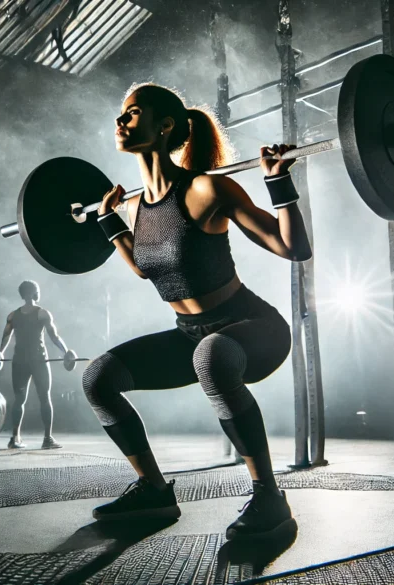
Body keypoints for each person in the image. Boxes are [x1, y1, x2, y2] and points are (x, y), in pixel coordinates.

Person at [81, 83, 312, 542]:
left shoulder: (207, 188)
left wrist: (278, 182)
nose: (120, 121)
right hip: (191, 333)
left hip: (253, 329)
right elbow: (148, 269)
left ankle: (269, 496)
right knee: (99, 379)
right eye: (121, 114)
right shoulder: (136, 206)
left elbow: (293, 247)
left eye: (132, 113)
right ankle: (153, 490)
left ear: (164, 126)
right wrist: (110, 223)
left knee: (212, 355)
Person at [0, 280, 75, 450]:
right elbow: (54, 337)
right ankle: (48, 439)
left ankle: (14, 439)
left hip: (19, 362)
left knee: (19, 400)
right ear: (33, 293)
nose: (39, 293)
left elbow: (5, 338)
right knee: (45, 398)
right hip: (38, 361)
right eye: (37, 290)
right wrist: (66, 352)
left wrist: (0, 353)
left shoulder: (13, 315)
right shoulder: (43, 313)